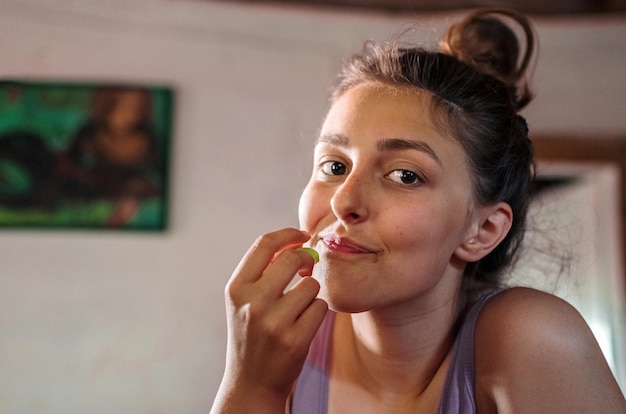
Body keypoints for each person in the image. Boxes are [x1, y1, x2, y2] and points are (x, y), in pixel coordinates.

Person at [211, 8, 626, 413]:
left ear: (481, 230)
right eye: (335, 167)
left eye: (405, 175)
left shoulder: (530, 336)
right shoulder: (286, 346)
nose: (343, 202)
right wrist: (251, 385)